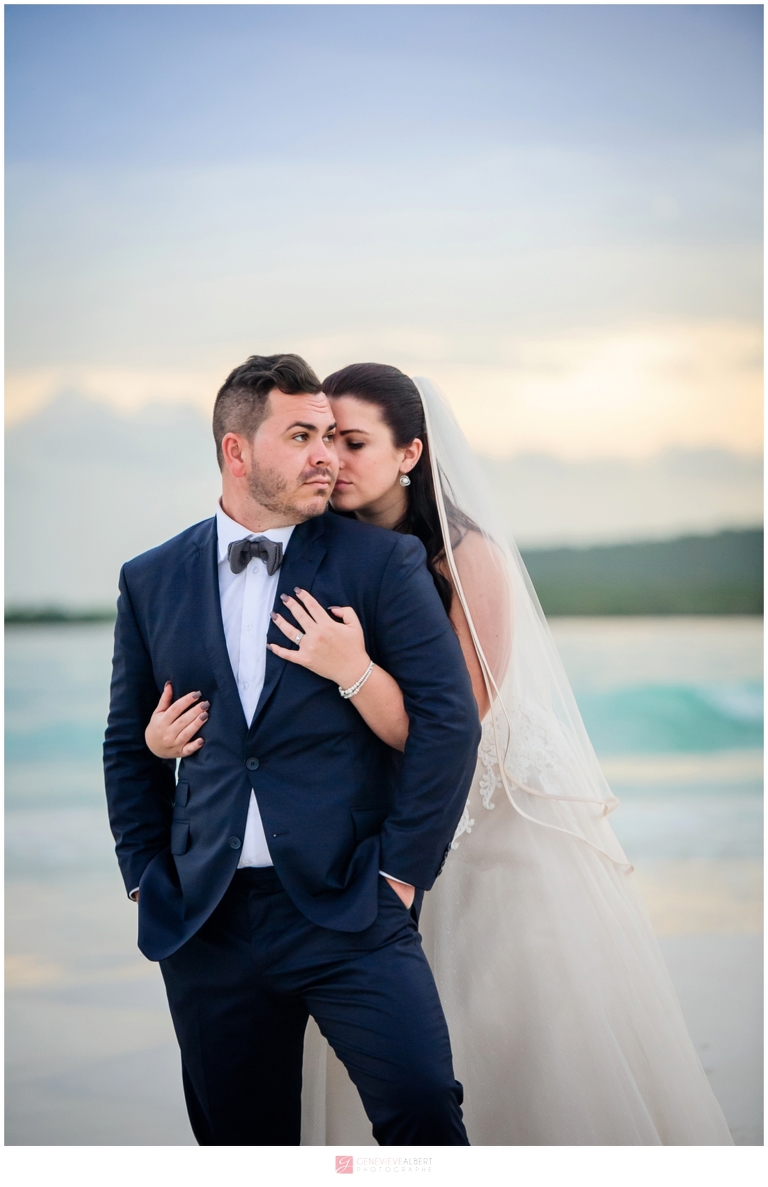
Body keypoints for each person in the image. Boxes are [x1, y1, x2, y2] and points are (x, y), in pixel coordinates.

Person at [147, 363, 735, 1146]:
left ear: (411, 453)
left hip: (491, 826)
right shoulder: (321, 551)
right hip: (360, 842)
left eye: (352, 441)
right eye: (320, 437)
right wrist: (170, 751)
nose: (331, 458)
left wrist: (351, 668)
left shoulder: (466, 555)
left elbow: (451, 725)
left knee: (513, 1037)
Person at [103, 353, 483, 1146]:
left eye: (331, 435)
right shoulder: (149, 579)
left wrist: (402, 873)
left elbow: (449, 724)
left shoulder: (381, 561)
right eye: (302, 434)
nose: (325, 455)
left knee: (421, 1108)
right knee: (242, 1143)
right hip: (207, 921)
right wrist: (145, 875)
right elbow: (126, 745)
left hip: (352, 905)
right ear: (237, 452)